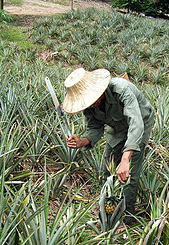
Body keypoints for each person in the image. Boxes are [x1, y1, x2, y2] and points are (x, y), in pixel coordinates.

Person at [63, 68, 154, 224]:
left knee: (129, 172)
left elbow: (136, 123)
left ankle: (128, 216)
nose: (91, 103)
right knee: (108, 167)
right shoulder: (89, 104)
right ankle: (109, 211)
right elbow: (95, 128)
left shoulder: (121, 89)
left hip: (141, 122)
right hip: (117, 125)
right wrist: (82, 142)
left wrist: (126, 159)